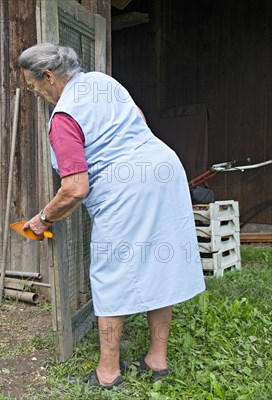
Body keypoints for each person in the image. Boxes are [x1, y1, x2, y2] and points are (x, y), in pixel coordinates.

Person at [18, 43, 206, 389]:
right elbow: (139, 120)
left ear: (49, 77)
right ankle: (156, 360)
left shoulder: (63, 118)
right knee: (160, 264)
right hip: (164, 170)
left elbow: (75, 188)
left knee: (110, 275)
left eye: (34, 87)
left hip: (128, 189)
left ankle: (108, 373)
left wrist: (43, 218)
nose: (37, 94)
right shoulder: (104, 82)